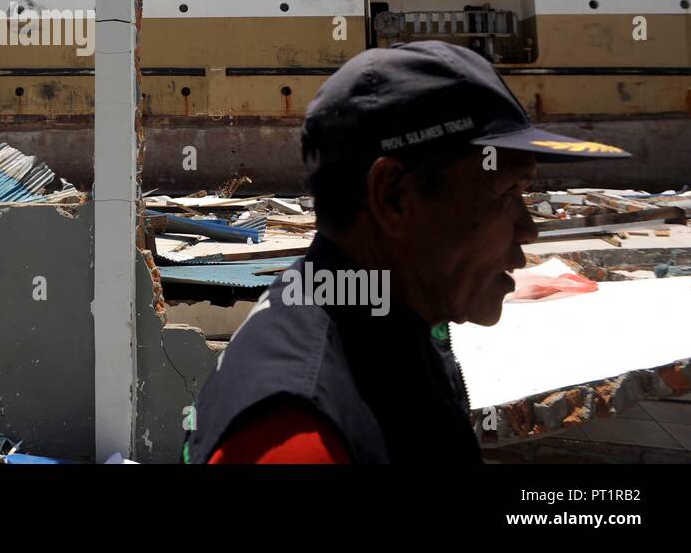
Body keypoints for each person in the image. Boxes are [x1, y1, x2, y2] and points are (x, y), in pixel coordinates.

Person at [185, 41, 629, 464]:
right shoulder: (300, 438)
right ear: (394, 196)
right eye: (505, 193)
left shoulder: (373, 319)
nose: (529, 230)